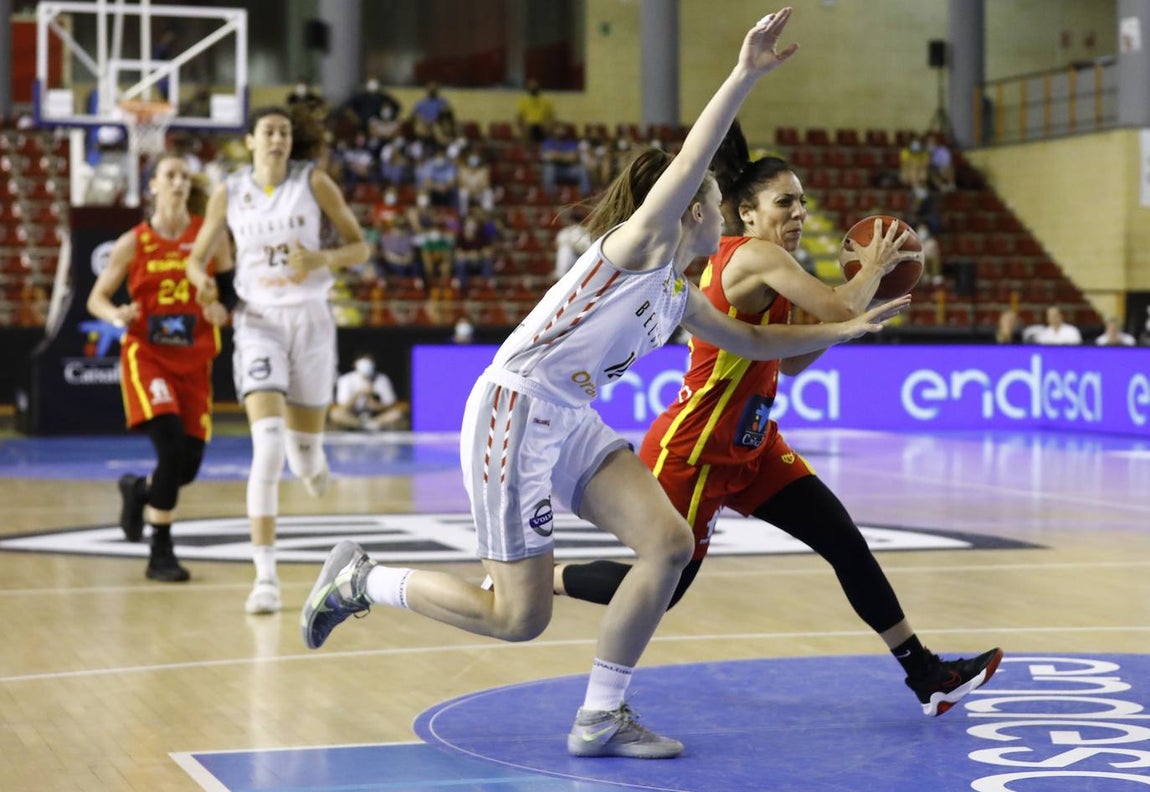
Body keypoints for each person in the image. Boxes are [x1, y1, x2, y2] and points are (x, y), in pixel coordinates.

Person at [300, 9, 909, 759]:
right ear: (690, 210)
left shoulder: (678, 295)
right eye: (717, 201)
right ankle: (365, 580)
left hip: (568, 420)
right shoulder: (639, 248)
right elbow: (692, 156)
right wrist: (744, 73)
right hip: (514, 413)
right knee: (517, 618)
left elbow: (753, 340)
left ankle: (600, 717)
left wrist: (841, 328)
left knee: (668, 543)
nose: (723, 207)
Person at [554, 118, 1003, 719]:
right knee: (665, 586)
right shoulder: (752, 256)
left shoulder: (774, 267)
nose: (798, 212)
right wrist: (875, 264)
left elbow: (791, 363)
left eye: (803, 202)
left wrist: (844, 323)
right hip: (697, 449)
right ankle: (548, 577)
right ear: (745, 213)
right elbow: (841, 305)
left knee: (844, 541)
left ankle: (926, 675)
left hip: (754, 444)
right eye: (785, 201)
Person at [186, 106, 371, 614]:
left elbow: (360, 248)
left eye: (284, 132)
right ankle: (265, 576)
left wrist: (322, 259)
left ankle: (314, 462)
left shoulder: (314, 183)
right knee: (267, 446)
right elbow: (194, 258)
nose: (276, 139)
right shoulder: (228, 190)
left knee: (304, 456)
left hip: (311, 318)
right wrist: (202, 283)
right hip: (258, 320)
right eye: (267, 131)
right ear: (249, 140)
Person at [86, 156, 231, 582]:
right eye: (170, 175)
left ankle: (139, 490)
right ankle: (160, 550)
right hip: (148, 355)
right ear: (152, 187)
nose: (179, 181)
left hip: (196, 357)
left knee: (186, 467)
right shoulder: (134, 242)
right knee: (170, 449)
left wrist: (222, 308)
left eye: (185, 176)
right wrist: (118, 316)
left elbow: (228, 292)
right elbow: (96, 298)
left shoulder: (210, 237)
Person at [329, 352, 409, 431]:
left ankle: (371, 425)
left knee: (397, 414)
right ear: (355, 363)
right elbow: (343, 406)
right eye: (363, 362)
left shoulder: (382, 379)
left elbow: (390, 404)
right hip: (353, 416)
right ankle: (361, 426)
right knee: (336, 414)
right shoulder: (346, 379)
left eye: (369, 361)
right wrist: (359, 393)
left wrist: (376, 406)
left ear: (374, 364)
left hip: (376, 417)